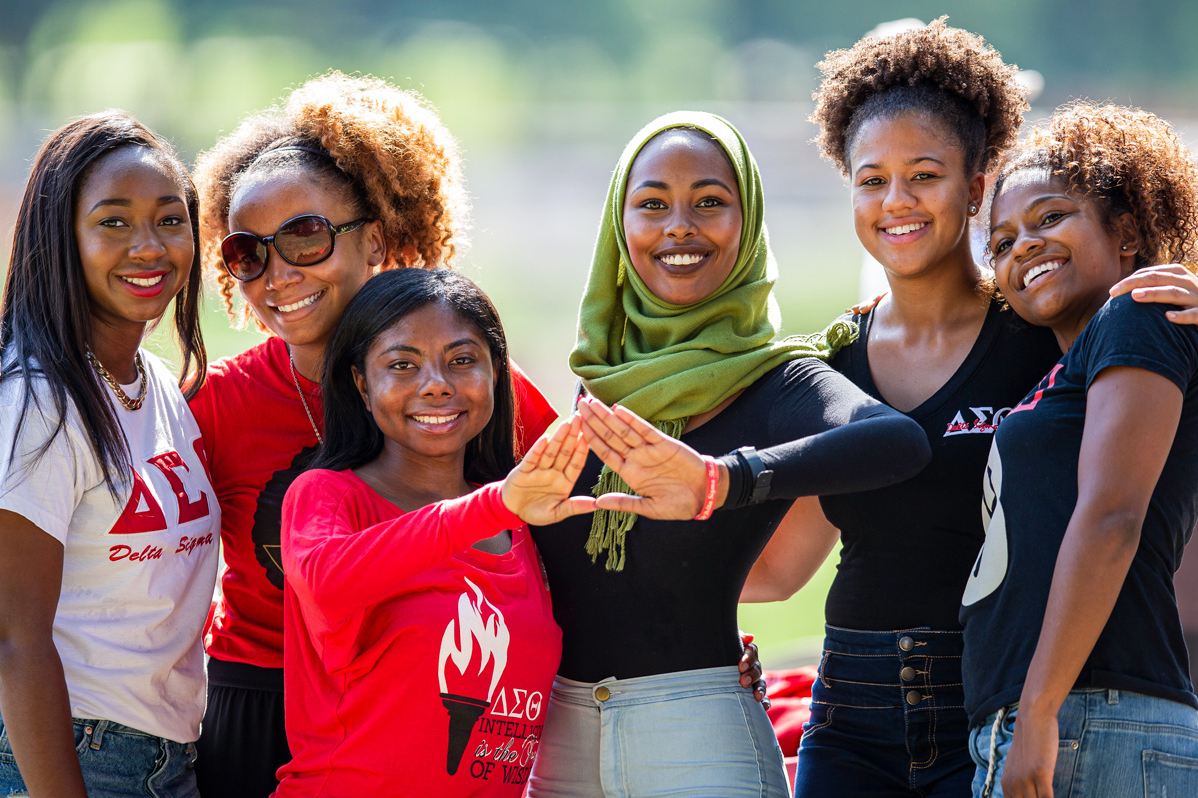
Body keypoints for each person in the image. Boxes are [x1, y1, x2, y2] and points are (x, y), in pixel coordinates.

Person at [525, 110, 932, 797]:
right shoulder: (587, 383)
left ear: (748, 226)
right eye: (652, 204)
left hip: (701, 745)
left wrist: (722, 481)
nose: (680, 224)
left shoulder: (779, 379)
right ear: (618, 228)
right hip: (559, 744)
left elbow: (896, 442)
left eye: (710, 202)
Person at [188, 71, 560, 797]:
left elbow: (581, 544)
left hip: (419, 711)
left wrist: (685, 643)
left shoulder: (469, 388)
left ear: (379, 239)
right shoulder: (217, 407)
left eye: (305, 237)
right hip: (257, 705)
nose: (278, 275)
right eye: (247, 253)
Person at [739, 21, 1064, 796]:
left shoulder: (1045, 339)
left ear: (979, 184)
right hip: (845, 715)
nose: (896, 202)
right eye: (871, 178)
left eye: (924, 175)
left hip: (995, 707)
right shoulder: (832, 362)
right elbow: (783, 568)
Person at [275, 267, 592, 796]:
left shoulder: (528, 524)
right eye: (402, 365)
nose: (437, 383)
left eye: (463, 360)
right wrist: (495, 505)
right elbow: (330, 582)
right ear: (361, 383)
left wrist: (711, 652)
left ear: (496, 374)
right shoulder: (328, 495)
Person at [963, 102, 1198, 798]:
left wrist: (1038, 712)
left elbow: (1112, 517)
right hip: (1066, 720)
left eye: (1049, 218)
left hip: (1088, 719)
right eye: (1001, 243)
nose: (1023, 246)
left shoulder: (1138, 314)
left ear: (1126, 234)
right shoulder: (1069, 368)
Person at [0, 112, 216, 798]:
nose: (149, 247)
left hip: (168, 760)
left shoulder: (154, 387)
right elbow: (13, 639)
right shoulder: (38, 402)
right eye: (114, 222)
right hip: (72, 756)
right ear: (62, 236)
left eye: (170, 219)